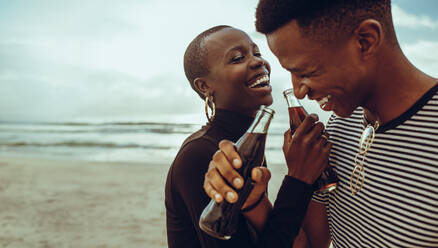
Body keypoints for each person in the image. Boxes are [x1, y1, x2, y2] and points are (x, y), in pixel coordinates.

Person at [204, 0, 438, 247]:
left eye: (306, 72)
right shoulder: (341, 123)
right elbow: (313, 244)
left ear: (365, 41)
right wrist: (254, 200)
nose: (299, 91)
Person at [165, 25, 323, 248]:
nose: (259, 61)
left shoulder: (246, 143)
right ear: (204, 86)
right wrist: (298, 179)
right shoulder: (201, 155)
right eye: (237, 58)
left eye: (257, 53)